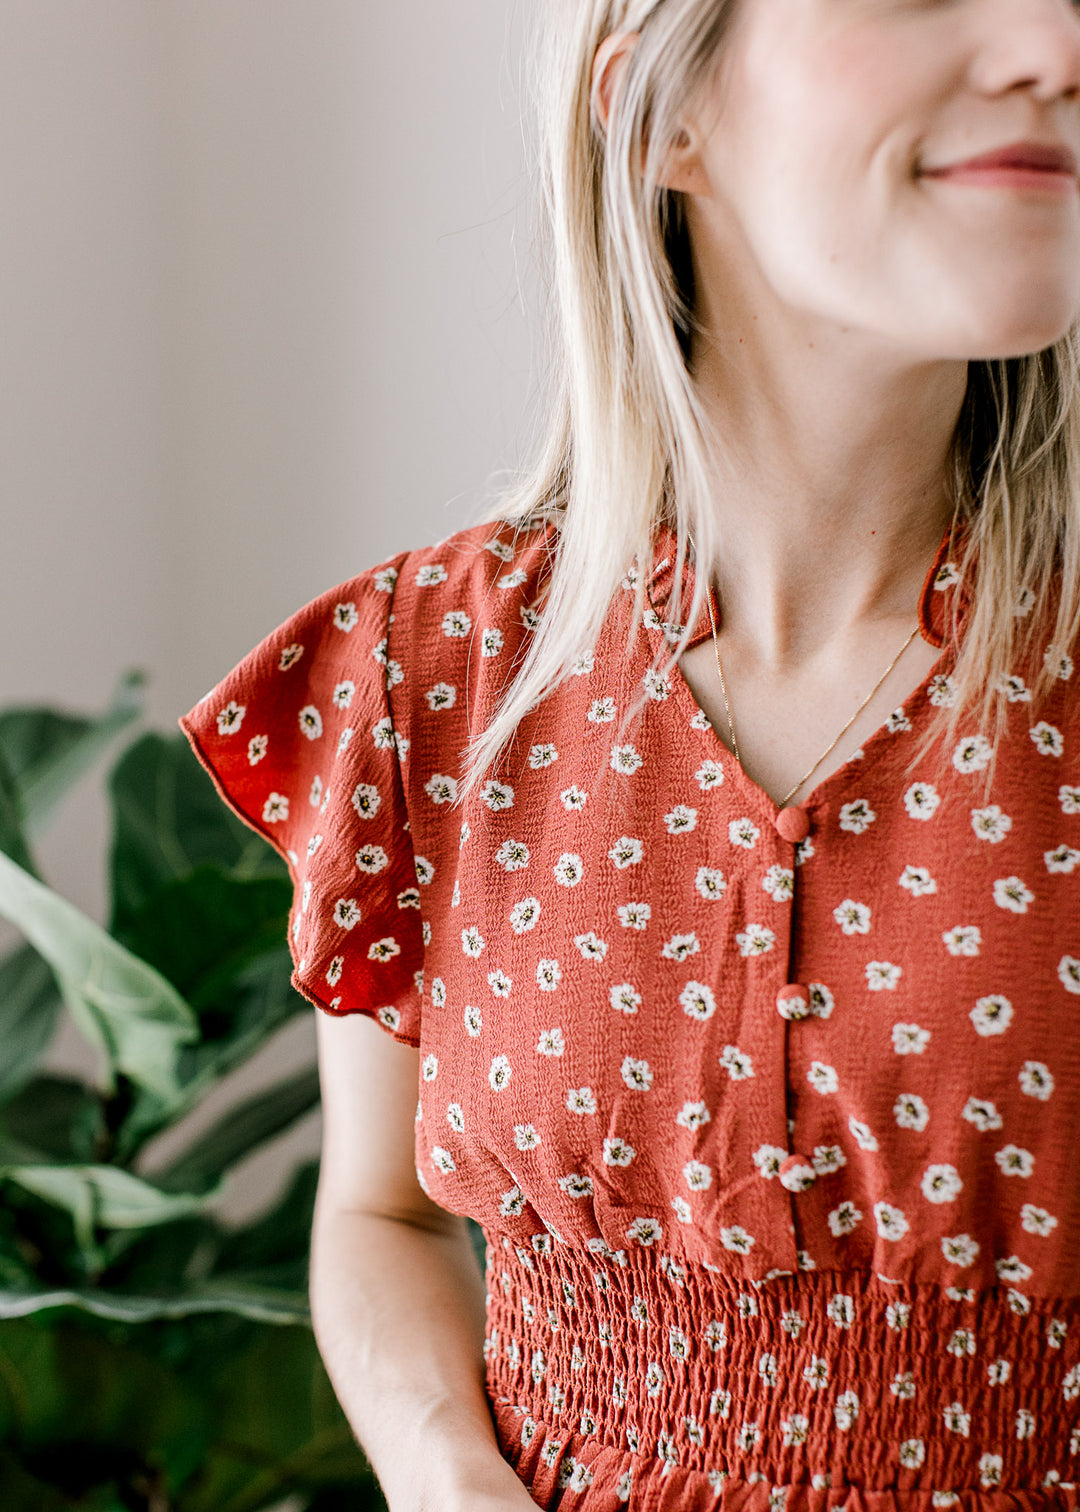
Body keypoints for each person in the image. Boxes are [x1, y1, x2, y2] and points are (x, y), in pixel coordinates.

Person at [178, 0, 1080, 1506]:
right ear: (666, 115)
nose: (1055, 43)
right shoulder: (432, 672)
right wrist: (444, 1475)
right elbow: (384, 1214)